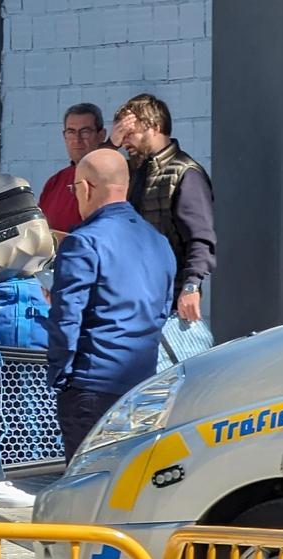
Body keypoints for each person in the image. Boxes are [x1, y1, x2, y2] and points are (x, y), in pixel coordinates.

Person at [46, 149, 176, 463]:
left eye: (74, 189)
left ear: (86, 188)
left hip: (90, 388)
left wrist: (59, 377)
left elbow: (66, 319)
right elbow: (163, 310)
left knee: (85, 493)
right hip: (141, 384)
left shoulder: (83, 242)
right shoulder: (158, 242)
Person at [108, 94, 215, 323]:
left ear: (155, 127)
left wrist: (191, 286)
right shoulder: (131, 170)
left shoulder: (185, 173)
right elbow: (92, 175)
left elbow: (199, 237)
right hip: (131, 296)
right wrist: (110, 145)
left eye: (130, 133)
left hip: (169, 300)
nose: (125, 142)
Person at [38, 103, 108, 233]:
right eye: (71, 132)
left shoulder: (113, 179)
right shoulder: (54, 182)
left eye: (85, 131)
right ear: (64, 136)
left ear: (101, 135)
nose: (77, 139)